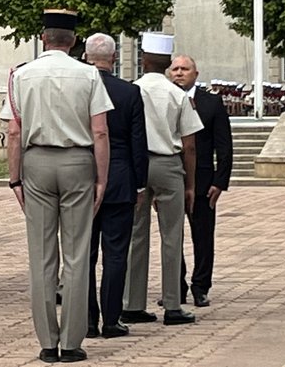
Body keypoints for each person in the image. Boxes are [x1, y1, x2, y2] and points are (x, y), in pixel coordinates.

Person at [3, 9, 111, 364]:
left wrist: (15, 177)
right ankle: (71, 341)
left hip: (36, 161)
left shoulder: (21, 75)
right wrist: (101, 177)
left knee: (41, 255)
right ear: (74, 41)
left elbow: (14, 131)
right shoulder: (89, 74)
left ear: (42, 37)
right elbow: (99, 131)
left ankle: (47, 340)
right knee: (77, 255)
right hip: (77, 160)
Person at [123, 32, 202, 327]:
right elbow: (190, 143)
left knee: (135, 233)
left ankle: (132, 302)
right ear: (169, 64)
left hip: (138, 164)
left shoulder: (132, 90)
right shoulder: (177, 94)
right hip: (169, 164)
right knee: (172, 236)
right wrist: (191, 184)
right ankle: (172, 304)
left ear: (142, 60)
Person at [81, 33, 148, 339]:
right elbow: (138, 142)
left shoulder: (79, 88)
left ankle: (87, 320)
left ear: (85, 56)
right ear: (115, 58)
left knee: (83, 254)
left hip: (83, 176)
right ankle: (111, 319)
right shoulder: (129, 92)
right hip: (120, 178)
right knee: (116, 253)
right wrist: (139, 183)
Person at [169, 55, 233, 309]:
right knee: (172, 235)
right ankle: (176, 287)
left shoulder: (211, 102)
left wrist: (221, 181)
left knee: (203, 236)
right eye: (174, 69)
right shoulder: (164, 99)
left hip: (205, 179)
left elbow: (224, 144)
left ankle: (200, 286)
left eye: (185, 69)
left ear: (196, 73)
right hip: (172, 176)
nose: (179, 73)